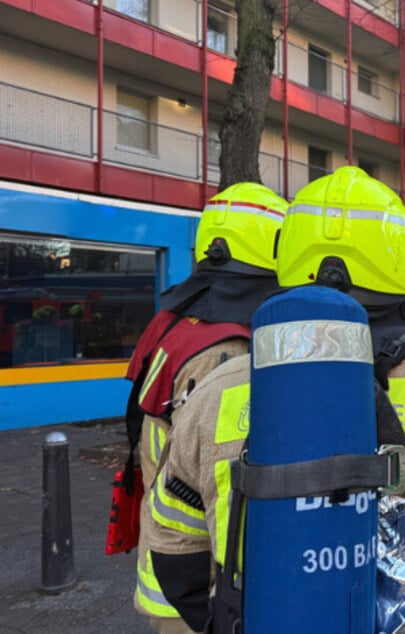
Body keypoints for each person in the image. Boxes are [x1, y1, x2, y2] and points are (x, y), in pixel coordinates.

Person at [148, 167, 405, 633]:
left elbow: (174, 550)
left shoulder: (216, 392)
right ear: (404, 262)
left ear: (287, 256)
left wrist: (233, 617)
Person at [124, 183, 286, 634]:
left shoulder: (175, 320)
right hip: (202, 590)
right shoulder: (231, 349)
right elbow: (227, 483)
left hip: (169, 566)